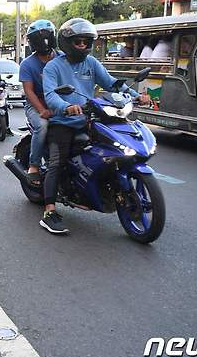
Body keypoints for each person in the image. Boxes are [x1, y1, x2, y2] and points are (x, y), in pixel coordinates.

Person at [41, 18, 151, 234]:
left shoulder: (91, 63)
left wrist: (137, 96)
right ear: (66, 42)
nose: (83, 45)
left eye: (86, 41)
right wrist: (66, 106)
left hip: (89, 119)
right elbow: (50, 95)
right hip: (63, 122)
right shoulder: (53, 66)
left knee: (111, 149)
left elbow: (111, 83)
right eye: (78, 41)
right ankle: (49, 211)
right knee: (56, 163)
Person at [19, 19, 59, 185]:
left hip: (60, 103)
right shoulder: (27, 64)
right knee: (42, 126)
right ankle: (34, 165)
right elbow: (28, 91)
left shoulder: (63, 59)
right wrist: (42, 110)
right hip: (36, 105)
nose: (43, 42)